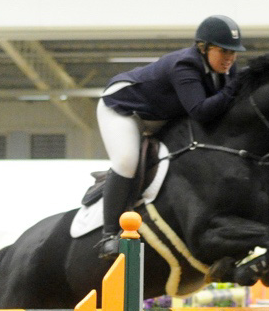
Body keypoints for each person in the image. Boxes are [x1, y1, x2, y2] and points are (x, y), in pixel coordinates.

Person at [94, 14, 246, 259]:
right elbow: (200, 111)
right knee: (126, 161)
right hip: (124, 108)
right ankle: (108, 236)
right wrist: (232, 89)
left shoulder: (227, 70)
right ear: (203, 48)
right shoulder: (185, 65)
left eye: (233, 53)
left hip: (161, 114)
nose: (229, 58)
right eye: (223, 51)